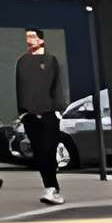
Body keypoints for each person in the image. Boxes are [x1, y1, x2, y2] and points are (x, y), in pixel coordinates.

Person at [14, 27, 67, 205]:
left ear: (41, 40)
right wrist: (22, 112)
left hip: (49, 113)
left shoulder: (51, 60)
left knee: (48, 150)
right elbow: (20, 87)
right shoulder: (22, 61)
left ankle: (53, 188)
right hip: (29, 115)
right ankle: (50, 187)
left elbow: (57, 85)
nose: (29, 40)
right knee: (39, 152)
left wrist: (58, 110)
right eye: (27, 37)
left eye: (32, 36)